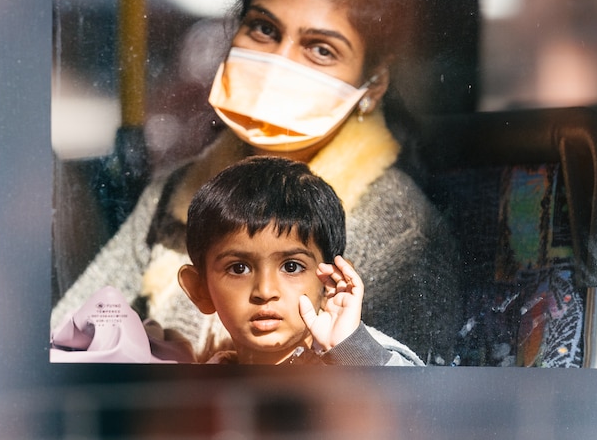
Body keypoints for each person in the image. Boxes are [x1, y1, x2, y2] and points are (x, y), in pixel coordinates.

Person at [52, 0, 460, 362]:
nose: (278, 65)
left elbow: (392, 402)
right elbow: (66, 335)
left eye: (321, 50)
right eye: (264, 29)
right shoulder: (177, 191)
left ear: (374, 84)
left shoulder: (398, 232)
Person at [178, 156, 423, 365]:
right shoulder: (203, 385)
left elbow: (425, 410)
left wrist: (351, 349)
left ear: (333, 283)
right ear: (200, 290)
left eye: (291, 267)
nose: (265, 291)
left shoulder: (364, 359)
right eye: (239, 268)